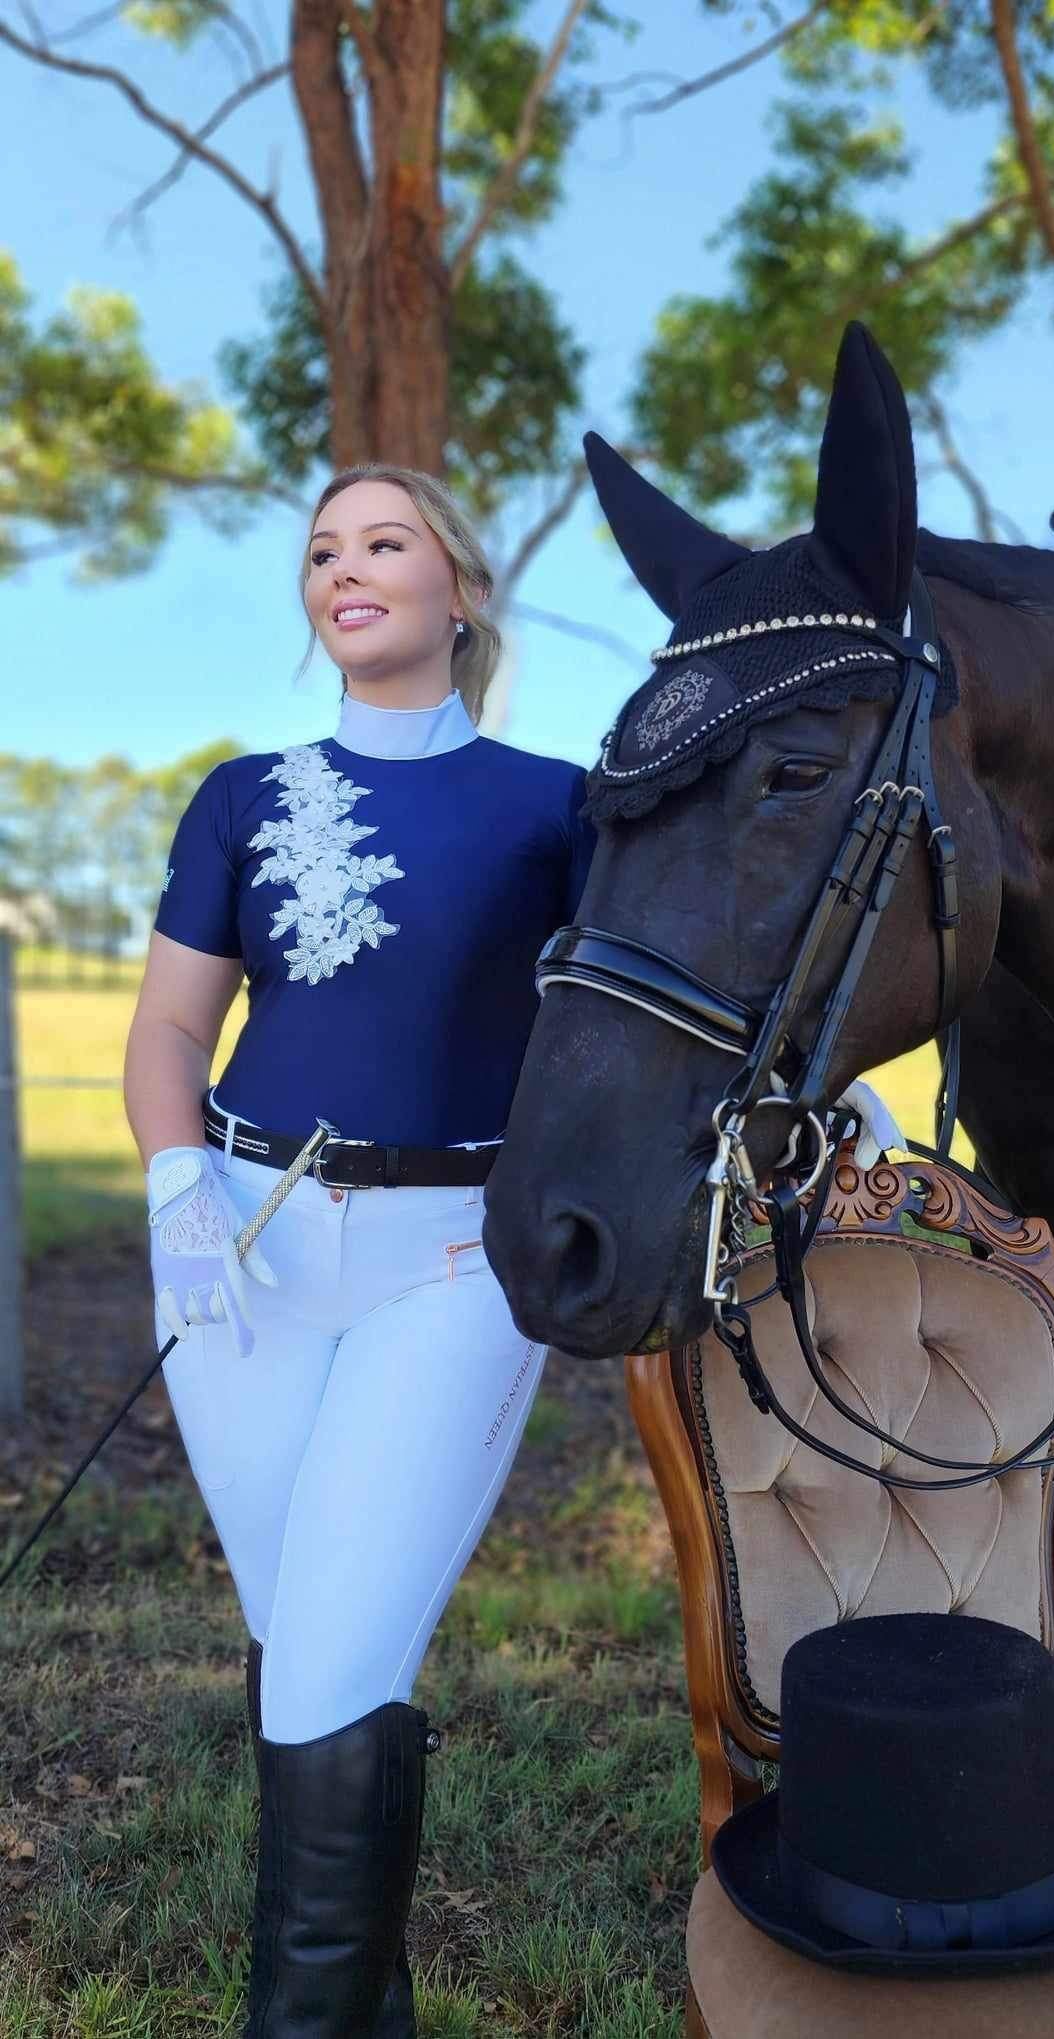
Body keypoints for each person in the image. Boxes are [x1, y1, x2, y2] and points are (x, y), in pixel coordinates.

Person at [121, 463, 595, 2039]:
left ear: (463, 591)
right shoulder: (241, 796)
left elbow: (657, 998)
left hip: (451, 1263)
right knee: (313, 1647)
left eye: (386, 541)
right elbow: (170, 1030)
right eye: (323, 549)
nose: (344, 567)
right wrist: (177, 1193)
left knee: (330, 1657)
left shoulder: (559, 806)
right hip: (238, 1251)